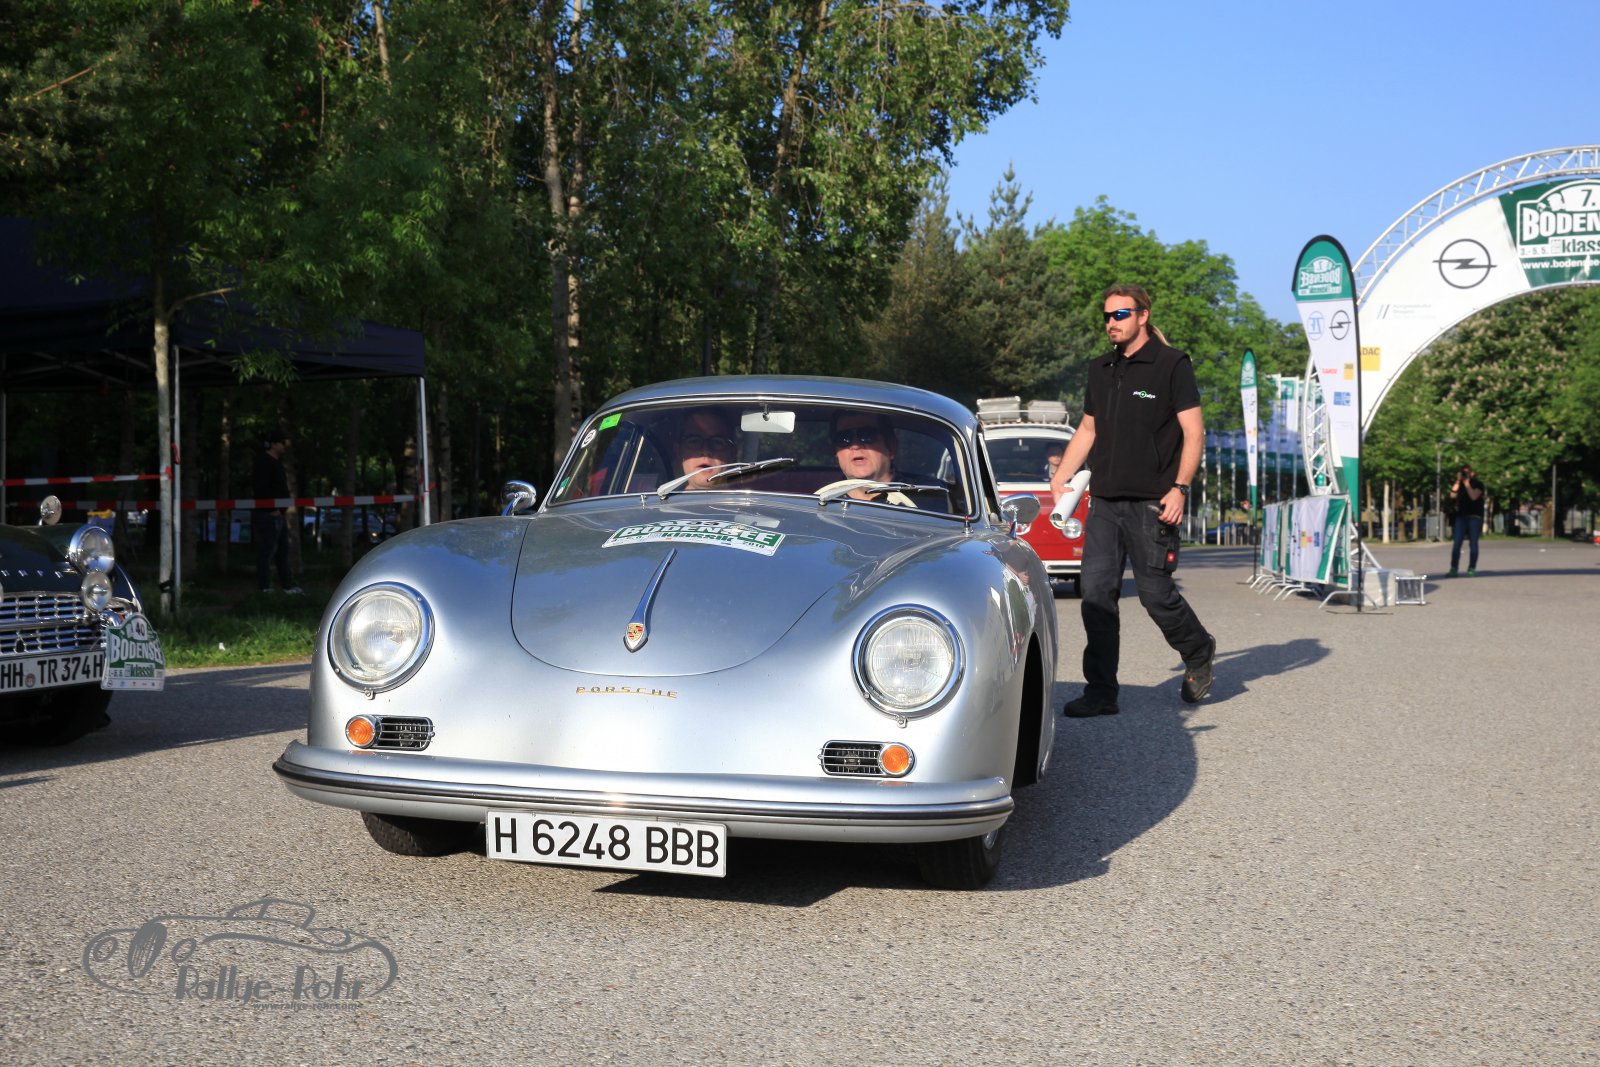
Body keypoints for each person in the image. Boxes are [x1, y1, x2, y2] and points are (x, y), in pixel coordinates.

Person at [1048, 284, 1215, 715]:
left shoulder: (1171, 364)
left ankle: (1198, 649)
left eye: (1120, 314)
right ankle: (1101, 692)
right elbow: (1088, 429)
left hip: (1153, 502)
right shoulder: (1100, 368)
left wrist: (1180, 488)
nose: (1111, 322)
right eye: (1107, 316)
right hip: (1104, 502)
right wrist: (1062, 476)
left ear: (1143, 315)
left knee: (1155, 595)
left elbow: (1193, 433)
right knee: (1095, 596)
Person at [823, 411, 915, 506]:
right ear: (836, 454)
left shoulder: (920, 501)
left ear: (891, 447)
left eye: (867, 435)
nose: (856, 446)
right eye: (844, 438)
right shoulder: (823, 501)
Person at [252, 431, 301, 594]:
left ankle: (287, 585)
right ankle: (265, 587)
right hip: (269, 515)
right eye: (281, 443)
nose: (284, 446)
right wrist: (272, 509)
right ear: (273, 444)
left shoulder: (275, 463)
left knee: (282, 551)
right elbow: (261, 488)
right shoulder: (264, 463)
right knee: (266, 552)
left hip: (277, 514)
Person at [676, 407, 738, 490]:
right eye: (694, 441)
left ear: (732, 453)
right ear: (678, 451)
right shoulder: (660, 497)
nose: (706, 451)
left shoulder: (749, 497)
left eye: (717, 442)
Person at [1448, 464, 1485, 576]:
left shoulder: (1478, 484)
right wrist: (1458, 482)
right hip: (1461, 517)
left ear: (1472, 473)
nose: (1465, 474)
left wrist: (1467, 484)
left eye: (1467, 472)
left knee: (1473, 543)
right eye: (1463, 472)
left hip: (1475, 517)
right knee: (1457, 543)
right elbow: (1452, 495)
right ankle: (1454, 568)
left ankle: (1472, 568)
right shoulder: (1460, 485)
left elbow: (1473, 496)